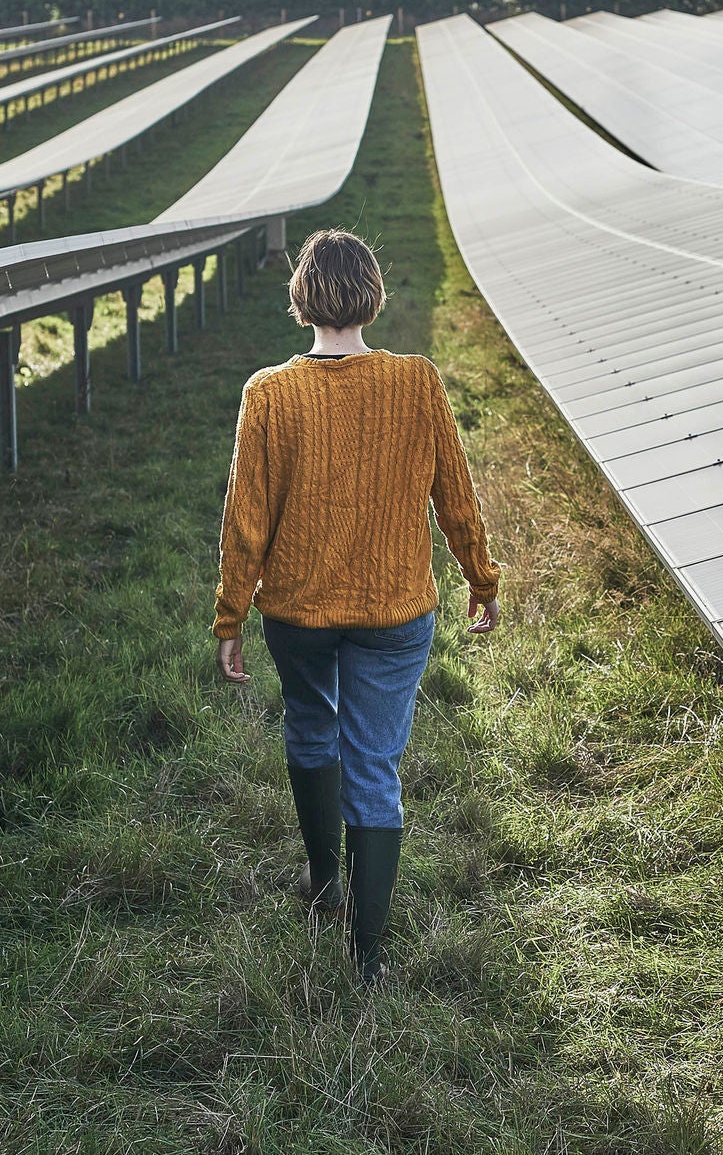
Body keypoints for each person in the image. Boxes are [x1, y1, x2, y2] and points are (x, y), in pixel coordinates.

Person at [214, 228, 502, 985]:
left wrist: (231, 615)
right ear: (373, 295)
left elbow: (245, 519)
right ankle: (366, 960)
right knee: (374, 765)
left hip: (299, 612)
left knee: (311, 727)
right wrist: (482, 576)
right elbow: (456, 496)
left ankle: (322, 878)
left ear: (300, 298)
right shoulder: (417, 381)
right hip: (395, 609)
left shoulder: (268, 393)